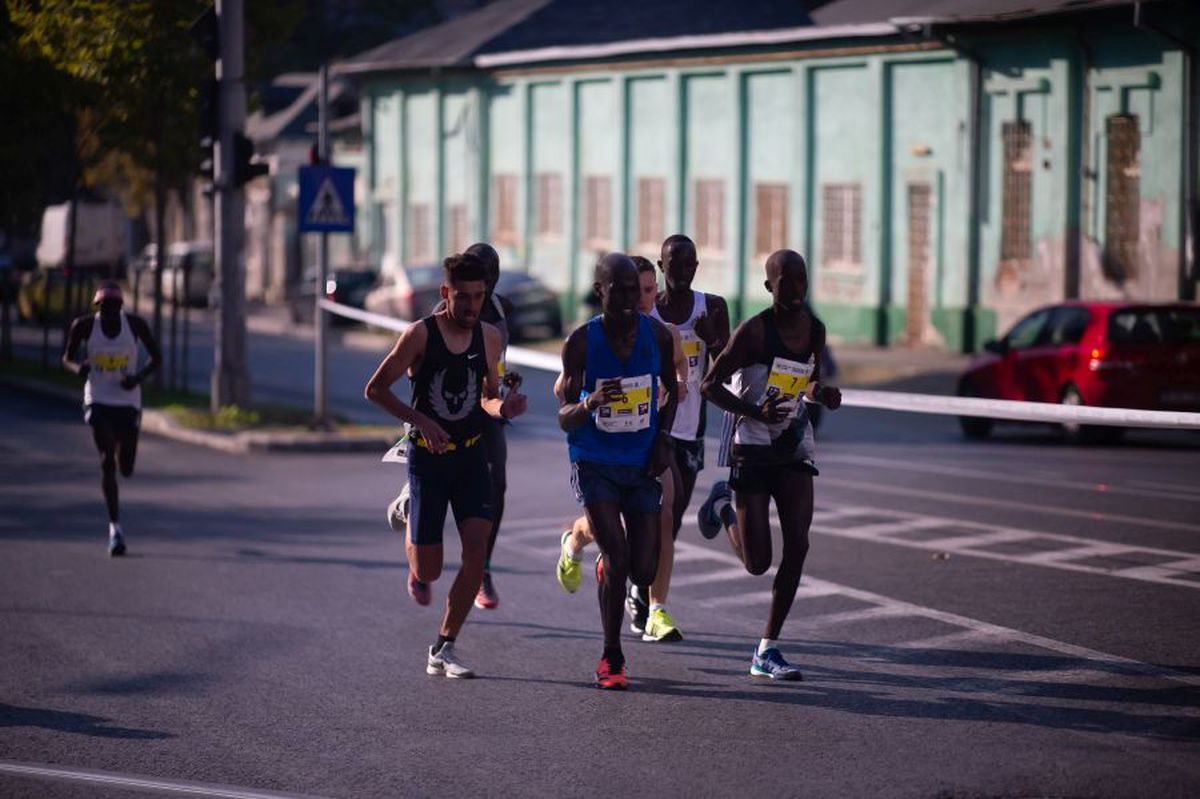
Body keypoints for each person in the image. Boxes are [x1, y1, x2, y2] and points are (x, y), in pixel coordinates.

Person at [365, 252, 527, 679]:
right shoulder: (420, 335)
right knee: (429, 570)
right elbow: (375, 389)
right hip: (428, 458)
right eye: (463, 297)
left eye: (479, 296)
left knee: (477, 549)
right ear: (445, 293)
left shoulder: (490, 337)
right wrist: (422, 421)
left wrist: (504, 407)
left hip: (471, 453)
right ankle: (407, 508)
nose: (472, 306)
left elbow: (486, 395)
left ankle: (444, 645)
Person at [698, 249, 841, 681]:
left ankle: (767, 648)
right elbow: (709, 386)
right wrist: (754, 412)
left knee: (799, 543)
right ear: (769, 287)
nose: (794, 289)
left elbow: (808, 381)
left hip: (794, 445)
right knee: (758, 562)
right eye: (784, 282)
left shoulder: (815, 330)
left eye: (800, 280)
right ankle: (723, 507)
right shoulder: (754, 333)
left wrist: (822, 395)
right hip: (753, 446)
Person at [557, 253, 677, 688]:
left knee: (644, 571)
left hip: (641, 461)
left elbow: (674, 392)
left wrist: (663, 438)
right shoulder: (582, 342)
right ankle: (612, 656)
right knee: (620, 555)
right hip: (594, 461)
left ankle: (609, 566)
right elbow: (565, 416)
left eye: (634, 288)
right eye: (618, 289)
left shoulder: (658, 336)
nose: (628, 297)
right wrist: (589, 403)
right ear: (599, 292)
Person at [387, 242, 519, 611]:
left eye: (491, 276)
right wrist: (420, 421)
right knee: (433, 515)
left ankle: (484, 568)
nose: (484, 288)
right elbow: (415, 375)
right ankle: (415, 516)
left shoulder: (498, 308)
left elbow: (496, 361)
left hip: (484, 409)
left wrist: (506, 387)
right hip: (441, 415)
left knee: (498, 484)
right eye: (479, 276)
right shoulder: (441, 314)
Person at [628, 234, 730, 637]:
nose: (684, 271)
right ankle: (647, 600)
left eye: (691, 264)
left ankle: (639, 584)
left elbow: (729, 367)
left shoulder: (713, 308)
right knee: (659, 516)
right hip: (653, 427)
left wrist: (713, 340)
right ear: (661, 266)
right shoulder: (649, 310)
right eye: (676, 264)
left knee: (671, 523)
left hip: (691, 429)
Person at [62, 282, 161, 557]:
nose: (106, 312)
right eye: (102, 307)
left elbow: (157, 358)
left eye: (112, 307)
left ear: (121, 307)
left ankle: (122, 452)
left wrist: (137, 378)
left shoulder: (136, 326)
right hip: (98, 397)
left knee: (125, 467)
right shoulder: (83, 326)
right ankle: (115, 529)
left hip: (128, 401)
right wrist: (77, 367)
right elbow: (67, 357)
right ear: (97, 307)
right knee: (107, 459)